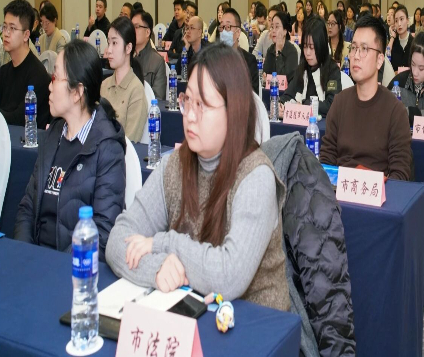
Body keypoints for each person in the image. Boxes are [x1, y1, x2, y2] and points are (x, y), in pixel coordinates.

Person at [105, 45, 290, 309]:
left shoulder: (256, 176)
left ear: (233, 111)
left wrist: (165, 243)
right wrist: (158, 269)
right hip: (191, 313)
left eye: (202, 105)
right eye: (188, 101)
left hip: (254, 321)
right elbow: (117, 240)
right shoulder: (174, 166)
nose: (190, 116)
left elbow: (229, 276)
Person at [14, 40, 126, 256]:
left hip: (72, 267)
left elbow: (102, 232)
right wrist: (24, 254)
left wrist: (54, 266)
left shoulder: (108, 148)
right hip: (35, 261)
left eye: (55, 78)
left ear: (77, 92)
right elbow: (27, 207)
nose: (49, 86)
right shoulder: (53, 135)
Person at [319, 15, 413, 180]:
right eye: (354, 48)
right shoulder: (340, 103)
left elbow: (400, 174)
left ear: (379, 60)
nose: (356, 55)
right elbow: (326, 161)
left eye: (364, 49)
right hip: (339, 192)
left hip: (378, 194)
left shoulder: (395, 111)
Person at [0, 0, 51, 128]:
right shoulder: (4, 72)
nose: (5, 34)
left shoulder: (38, 75)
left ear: (26, 35)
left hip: (27, 138)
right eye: (4, 27)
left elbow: (20, 119)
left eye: (12, 28)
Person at [280, 17, 343, 118]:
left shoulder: (332, 70)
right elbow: (288, 95)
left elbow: (332, 104)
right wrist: (281, 104)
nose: (308, 53)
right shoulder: (302, 68)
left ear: (321, 46)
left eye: (312, 47)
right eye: (305, 47)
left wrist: (305, 104)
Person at [100, 16, 148, 141]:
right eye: (108, 43)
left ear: (128, 48)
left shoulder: (136, 91)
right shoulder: (104, 85)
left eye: (114, 43)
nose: (109, 50)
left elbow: (130, 141)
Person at [218, 9, 258, 92]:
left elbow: (252, 95)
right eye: (221, 27)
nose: (224, 32)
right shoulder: (213, 59)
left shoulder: (249, 61)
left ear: (238, 32)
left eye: (228, 27)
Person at [132, 10, 167, 101]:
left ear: (147, 32)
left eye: (136, 27)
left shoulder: (157, 61)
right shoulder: (126, 57)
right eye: (131, 27)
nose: (132, 31)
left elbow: (158, 98)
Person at [262, 12, 299, 84]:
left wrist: (278, 52)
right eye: (272, 27)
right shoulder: (270, 50)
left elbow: (283, 80)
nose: (273, 31)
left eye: (277, 27)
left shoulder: (292, 51)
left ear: (285, 31)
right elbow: (266, 75)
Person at [389, 5, 412, 72]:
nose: (399, 24)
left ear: (407, 20)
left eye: (401, 19)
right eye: (396, 21)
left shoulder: (414, 43)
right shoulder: (393, 43)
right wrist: (392, 37)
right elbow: (386, 58)